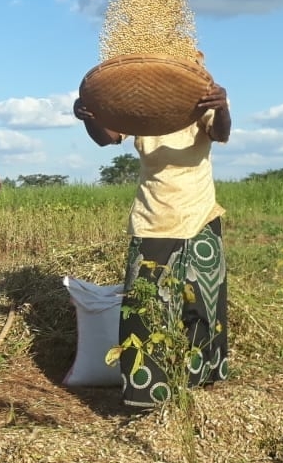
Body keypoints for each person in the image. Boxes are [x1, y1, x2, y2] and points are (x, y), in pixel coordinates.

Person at [74, 74, 232, 409]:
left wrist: (221, 107)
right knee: (144, 311)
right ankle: (148, 397)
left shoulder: (202, 97)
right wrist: (90, 116)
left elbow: (221, 133)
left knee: (202, 306)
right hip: (151, 220)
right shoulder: (140, 107)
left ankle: (199, 389)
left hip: (198, 216)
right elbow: (107, 138)